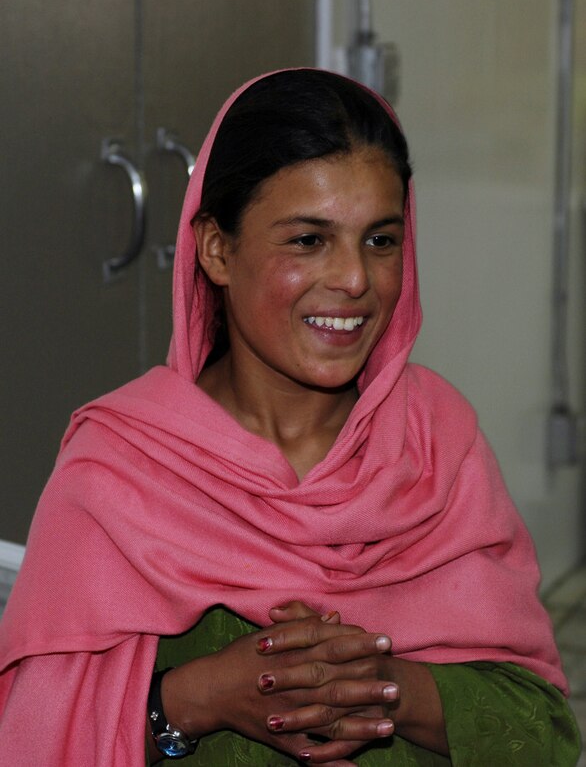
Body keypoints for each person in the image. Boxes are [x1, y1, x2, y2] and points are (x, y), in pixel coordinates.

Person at [0, 69, 580, 766]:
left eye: (381, 240)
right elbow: (32, 736)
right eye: (309, 240)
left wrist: (383, 687)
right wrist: (198, 698)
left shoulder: (436, 446)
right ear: (217, 249)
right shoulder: (120, 467)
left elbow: (544, 731)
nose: (356, 280)